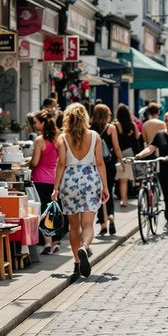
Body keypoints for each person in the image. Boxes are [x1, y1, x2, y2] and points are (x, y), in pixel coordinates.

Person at [53, 103, 109, 281]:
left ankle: (77, 263)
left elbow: (61, 163)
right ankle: (85, 246)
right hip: (90, 180)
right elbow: (100, 163)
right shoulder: (94, 136)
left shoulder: (63, 138)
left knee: (73, 226)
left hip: (69, 180)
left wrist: (56, 187)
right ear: (85, 117)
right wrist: (105, 186)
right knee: (88, 225)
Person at [30, 111, 60, 253]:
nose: (34, 125)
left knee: (42, 211)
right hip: (54, 179)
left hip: (40, 179)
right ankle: (54, 241)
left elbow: (35, 162)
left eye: (35, 122)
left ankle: (47, 242)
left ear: (42, 123)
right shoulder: (58, 139)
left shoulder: (39, 141)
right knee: (52, 211)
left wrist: (28, 164)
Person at [92, 104, 122, 237]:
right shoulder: (111, 128)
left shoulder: (89, 128)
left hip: (94, 165)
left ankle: (103, 224)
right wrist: (121, 161)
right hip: (109, 164)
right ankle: (110, 216)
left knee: (98, 193)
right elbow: (116, 147)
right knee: (109, 190)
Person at [114, 104, 139, 206]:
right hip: (130, 153)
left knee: (122, 178)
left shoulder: (116, 125)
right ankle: (124, 198)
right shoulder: (132, 124)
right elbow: (137, 137)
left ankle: (123, 199)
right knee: (125, 178)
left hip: (118, 152)